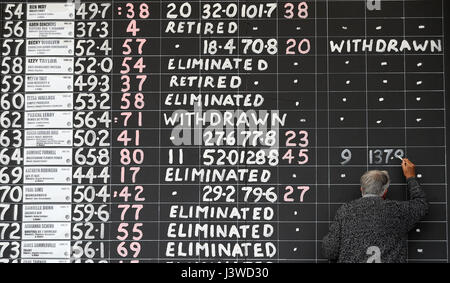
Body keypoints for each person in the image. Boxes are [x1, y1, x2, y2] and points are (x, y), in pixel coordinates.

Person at [322, 159, 429, 263]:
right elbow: (421, 204)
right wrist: (411, 177)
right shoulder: (398, 211)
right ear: (385, 191)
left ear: (362, 189)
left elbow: (330, 251)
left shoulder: (344, 211)